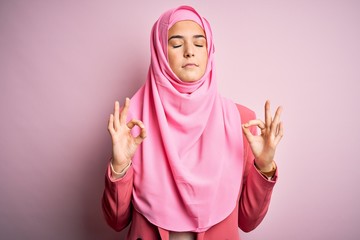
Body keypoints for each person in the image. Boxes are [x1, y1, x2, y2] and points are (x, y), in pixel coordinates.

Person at [102, 5, 283, 240]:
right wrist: (119, 166)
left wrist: (264, 165)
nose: (190, 52)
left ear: (210, 52)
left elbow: (248, 222)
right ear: (159, 54)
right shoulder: (133, 125)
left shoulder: (242, 122)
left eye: (199, 44)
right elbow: (116, 222)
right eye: (176, 44)